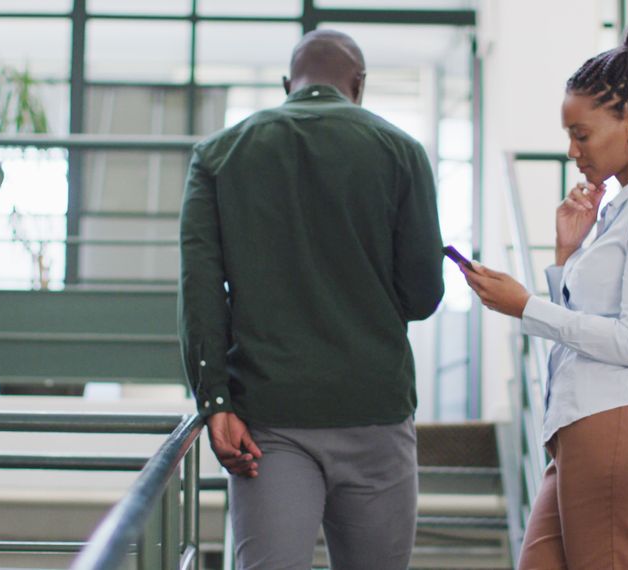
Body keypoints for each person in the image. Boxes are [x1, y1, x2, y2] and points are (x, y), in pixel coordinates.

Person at [177, 29, 444, 570]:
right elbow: (421, 296)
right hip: (374, 410)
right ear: (359, 85)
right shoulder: (402, 152)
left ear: (287, 85)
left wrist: (214, 402)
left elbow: (201, 291)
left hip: (269, 423)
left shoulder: (218, 156)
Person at [461, 24, 628, 569]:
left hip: (616, 422)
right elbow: (593, 323)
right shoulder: (623, 206)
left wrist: (527, 306)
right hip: (582, 425)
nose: (572, 151)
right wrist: (566, 255)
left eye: (582, 134)